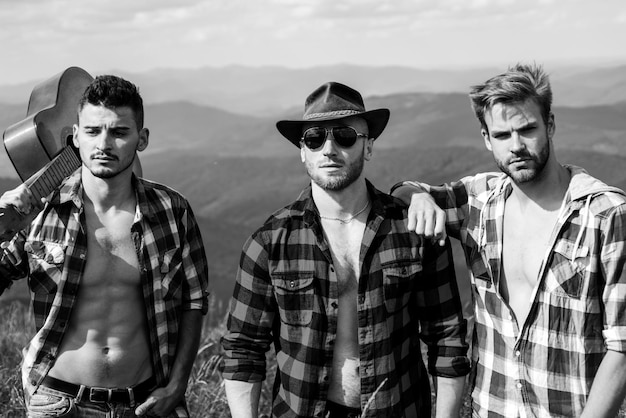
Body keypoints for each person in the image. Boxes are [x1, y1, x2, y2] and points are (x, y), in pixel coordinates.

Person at [220, 81, 470, 418]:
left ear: (368, 147)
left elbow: (447, 338)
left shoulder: (413, 232)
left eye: (345, 136)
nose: (329, 148)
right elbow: (243, 350)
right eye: (314, 138)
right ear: (302, 151)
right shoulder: (269, 242)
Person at [392, 63, 626, 418]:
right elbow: (404, 192)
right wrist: (417, 196)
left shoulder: (606, 215)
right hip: (492, 408)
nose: (516, 146)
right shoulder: (477, 203)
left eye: (527, 130)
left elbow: (622, 346)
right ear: (487, 139)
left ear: (550, 125)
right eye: (502, 136)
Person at [0, 75, 209, 417]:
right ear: (75, 136)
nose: (104, 144)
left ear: (142, 140)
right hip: (57, 401)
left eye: (119, 132)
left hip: (142, 403)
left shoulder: (172, 210)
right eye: (93, 131)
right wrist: (1, 223)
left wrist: (177, 386)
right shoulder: (40, 209)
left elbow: (194, 299)